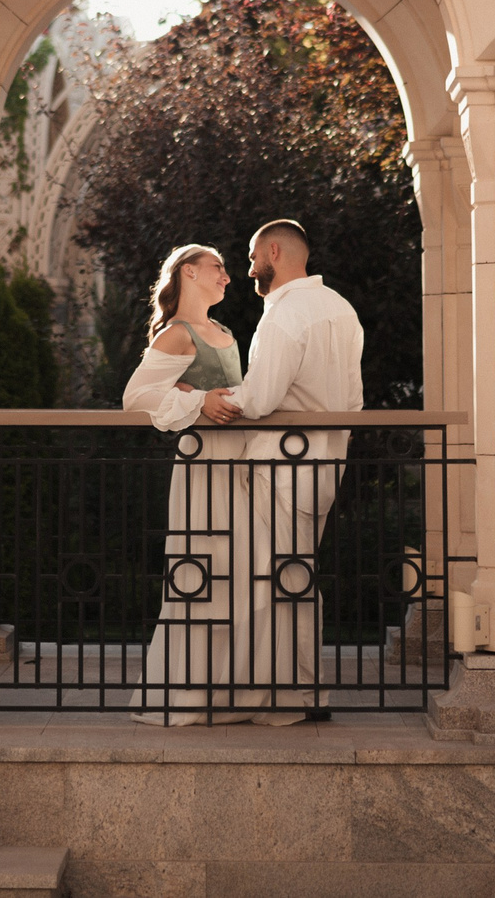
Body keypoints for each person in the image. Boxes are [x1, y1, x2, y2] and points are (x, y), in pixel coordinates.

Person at [203, 219, 364, 726]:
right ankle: (298, 688)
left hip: (281, 468)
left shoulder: (285, 317)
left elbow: (261, 398)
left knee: (277, 581)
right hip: (324, 466)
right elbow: (355, 402)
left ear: (275, 251)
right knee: (295, 577)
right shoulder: (342, 310)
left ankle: (291, 695)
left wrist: (200, 401)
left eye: (253, 257)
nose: (250, 268)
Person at [119, 244, 246, 725]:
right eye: (218, 267)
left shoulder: (226, 333)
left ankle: (227, 692)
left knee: (238, 573)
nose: (227, 277)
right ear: (189, 272)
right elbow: (135, 398)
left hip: (241, 466)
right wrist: (193, 402)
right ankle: (185, 695)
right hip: (203, 467)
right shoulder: (177, 334)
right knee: (200, 574)